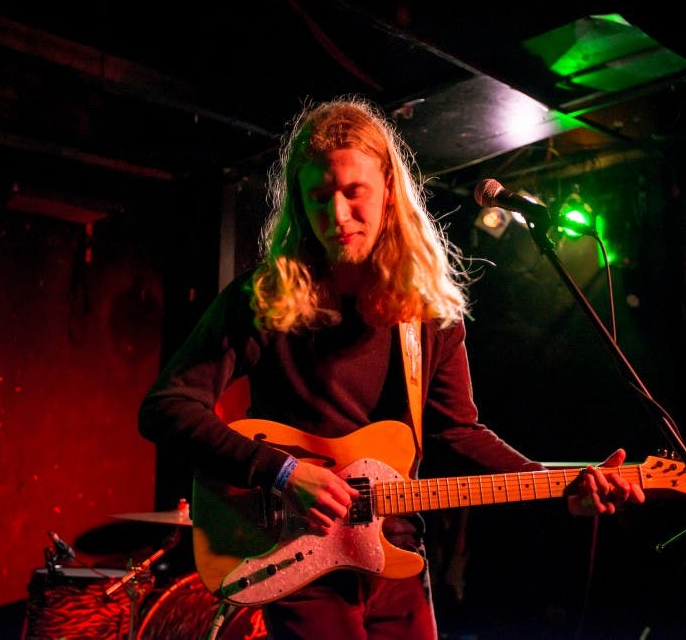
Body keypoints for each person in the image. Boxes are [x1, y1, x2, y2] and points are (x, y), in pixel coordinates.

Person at [138, 95, 646, 640]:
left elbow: (458, 433)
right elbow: (166, 408)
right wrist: (282, 472)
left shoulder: (426, 313)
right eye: (318, 197)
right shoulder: (262, 298)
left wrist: (557, 483)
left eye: (354, 192)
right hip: (297, 560)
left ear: (389, 192)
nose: (337, 216)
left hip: (396, 554)